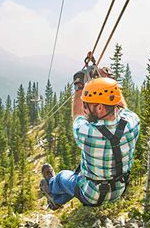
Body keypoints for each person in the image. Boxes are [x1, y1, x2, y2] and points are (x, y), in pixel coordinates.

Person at [40, 71, 140, 210]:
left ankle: (50, 185)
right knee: (76, 181)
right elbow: (123, 107)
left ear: (100, 107)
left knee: (63, 177)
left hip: (91, 195)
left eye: (86, 105)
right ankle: (56, 201)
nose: (84, 108)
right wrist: (110, 82)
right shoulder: (132, 123)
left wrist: (79, 86)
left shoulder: (87, 132)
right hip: (118, 190)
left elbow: (77, 116)